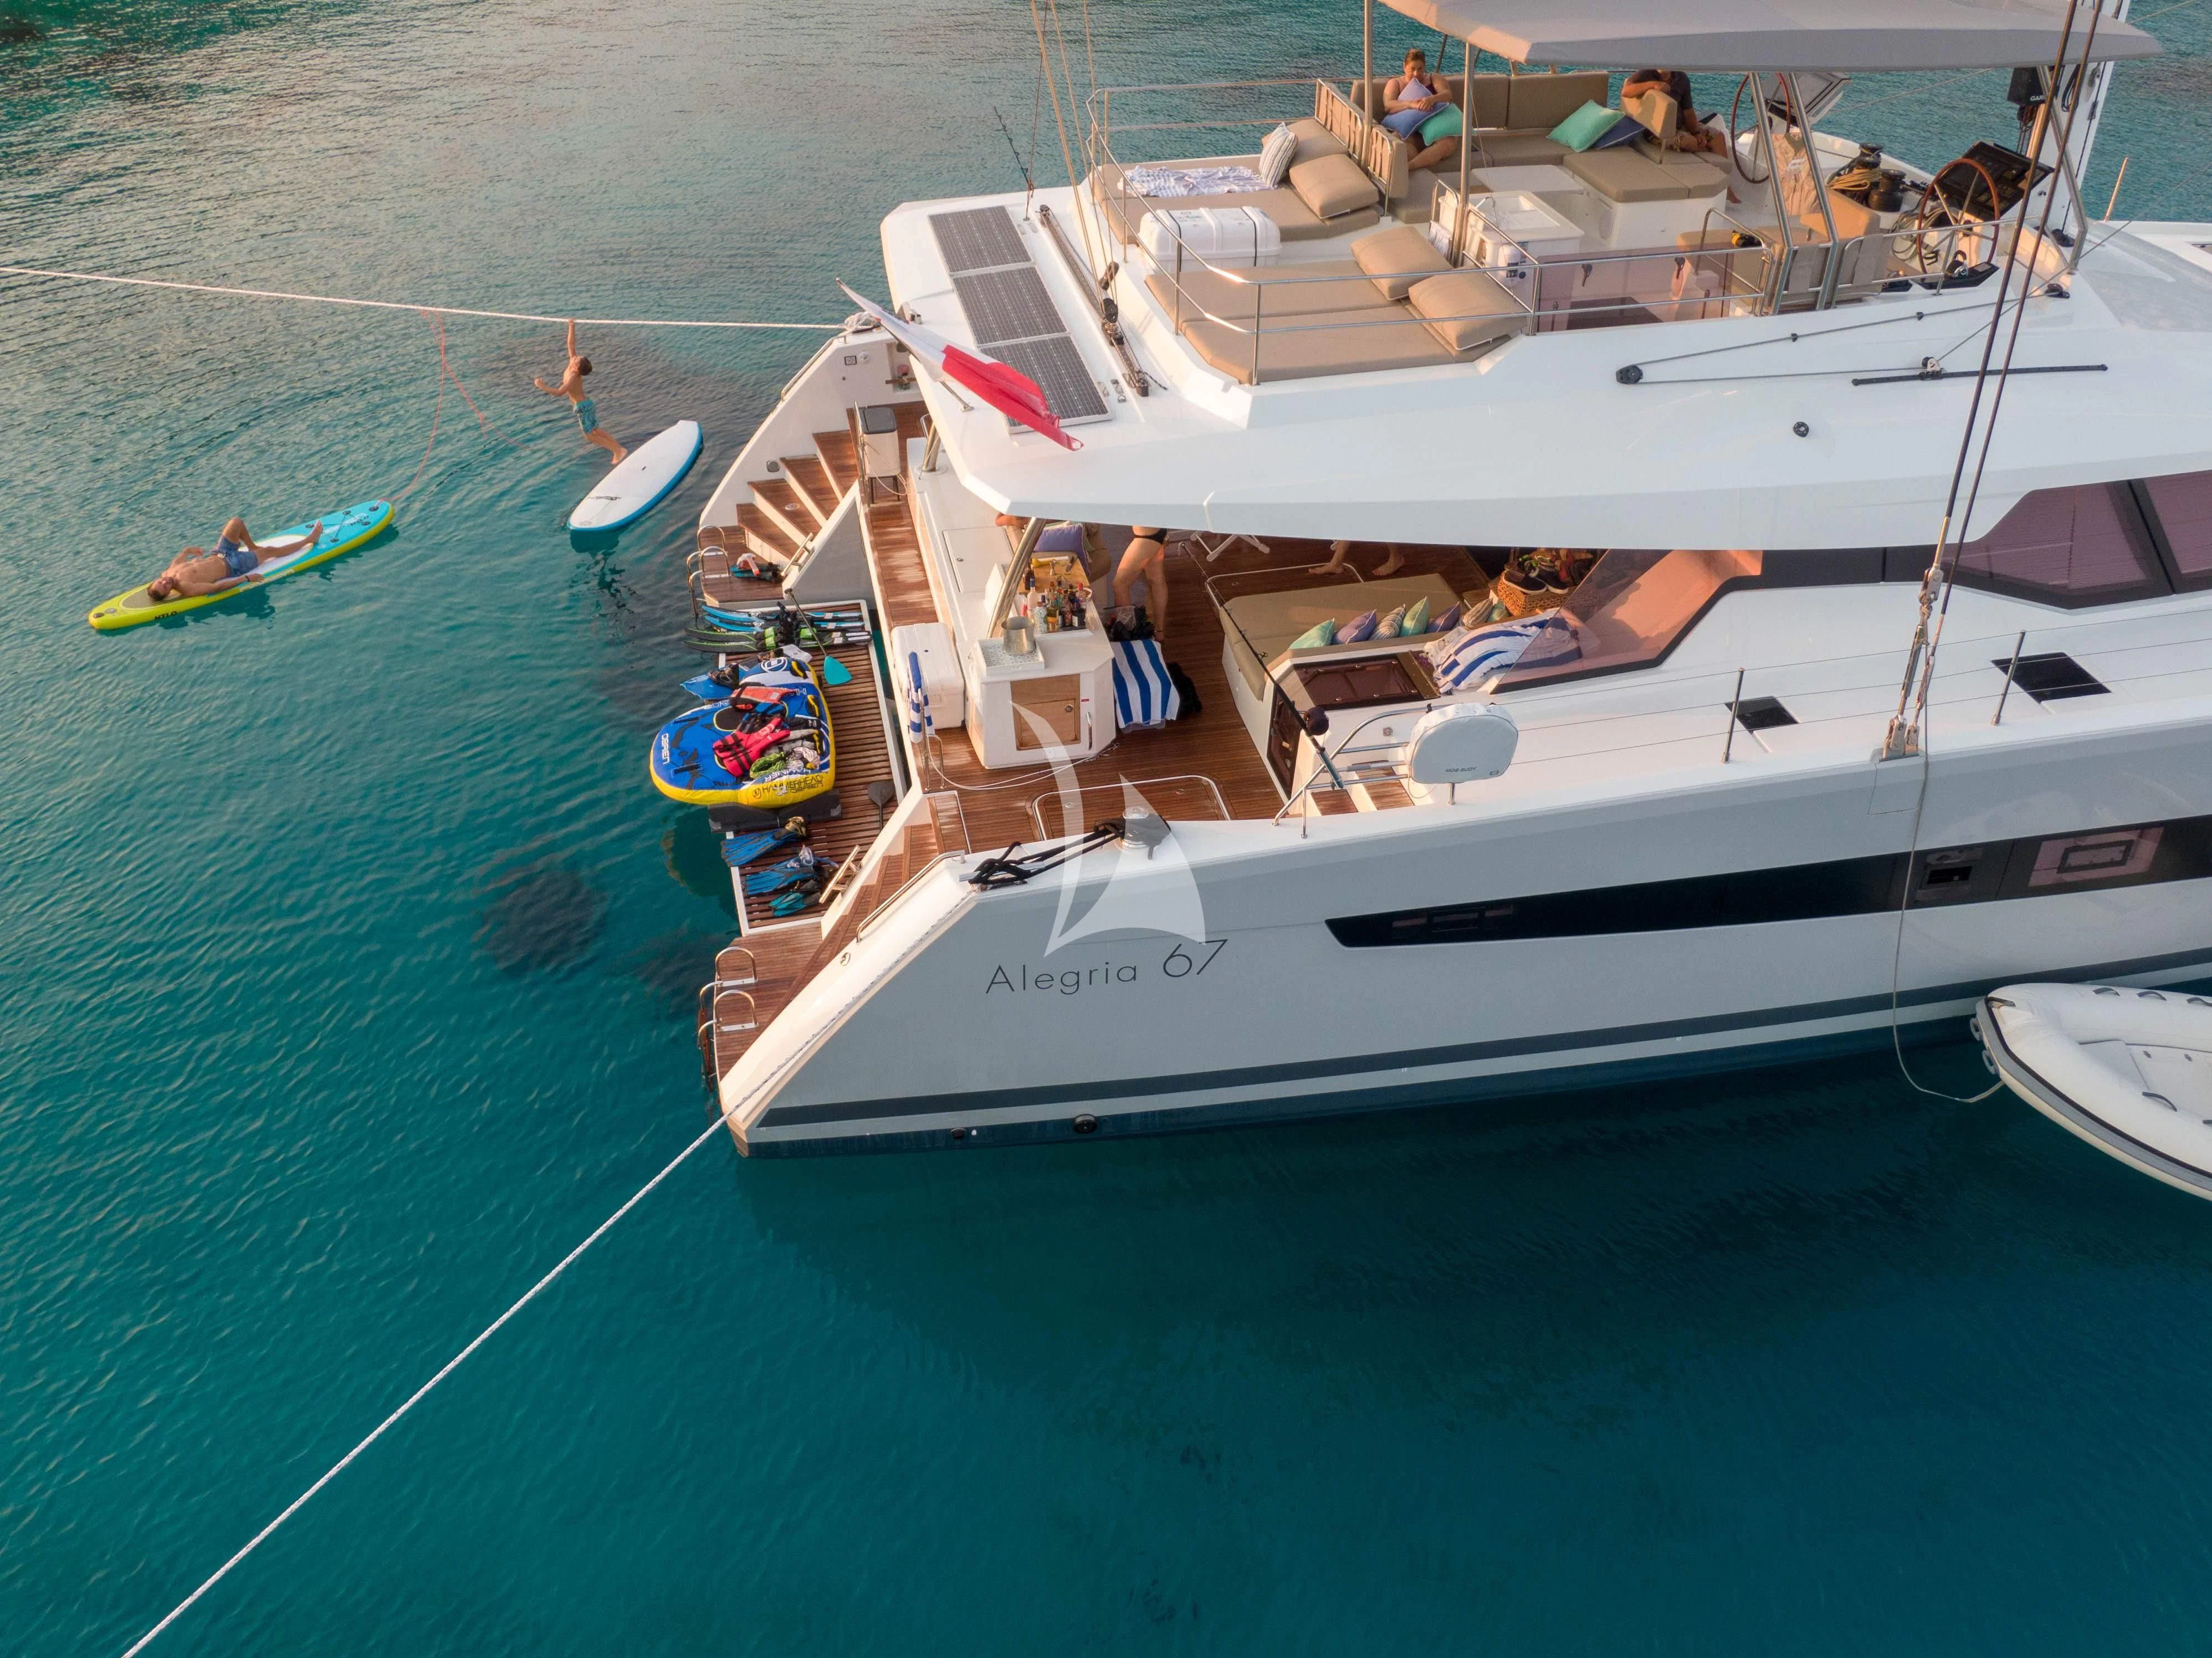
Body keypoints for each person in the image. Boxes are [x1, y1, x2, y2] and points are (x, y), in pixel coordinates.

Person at [143, 517, 322, 602]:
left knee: (236, 522)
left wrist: (187, 550)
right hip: (234, 565)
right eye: (165, 587)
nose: (165, 582)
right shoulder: (187, 588)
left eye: (160, 581)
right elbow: (217, 588)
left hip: (220, 553)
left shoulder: (168, 573)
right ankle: (310, 540)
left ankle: (252, 546)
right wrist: (245, 579)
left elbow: (180, 558)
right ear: (168, 593)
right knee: (269, 551)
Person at [535, 319, 627, 465]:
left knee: (590, 436)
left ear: (577, 368)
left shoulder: (573, 376)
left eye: (577, 359)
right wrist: (571, 326)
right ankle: (619, 449)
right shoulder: (573, 364)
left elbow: (560, 392)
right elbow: (571, 345)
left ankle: (617, 451)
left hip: (583, 407)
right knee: (596, 431)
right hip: (586, 404)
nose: (575, 357)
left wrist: (542, 386)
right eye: (577, 357)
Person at [1381, 48, 1461, 173]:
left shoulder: (1434, 78)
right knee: (1400, 146)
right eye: (1412, 69)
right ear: (1404, 67)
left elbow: (1448, 95)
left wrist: (1433, 99)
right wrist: (1411, 105)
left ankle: (1410, 167)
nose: (1416, 74)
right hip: (1412, 134)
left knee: (1449, 143)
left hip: (1436, 131)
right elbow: (1389, 106)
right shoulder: (1396, 83)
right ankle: (1418, 162)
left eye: (1420, 69)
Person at [1621, 68, 1729, 156]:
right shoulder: (1646, 73)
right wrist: (1653, 85)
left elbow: (1689, 112)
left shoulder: (1682, 79)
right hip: (1656, 132)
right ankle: (1707, 148)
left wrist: (1696, 133)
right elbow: (1626, 91)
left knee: (1719, 137)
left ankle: (1726, 181)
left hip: (1681, 125)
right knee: (1689, 142)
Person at [1110, 526, 1171, 641]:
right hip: (1155, 531)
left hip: (1146, 536)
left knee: (1120, 585)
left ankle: (1126, 634)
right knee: (1156, 580)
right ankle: (1159, 633)